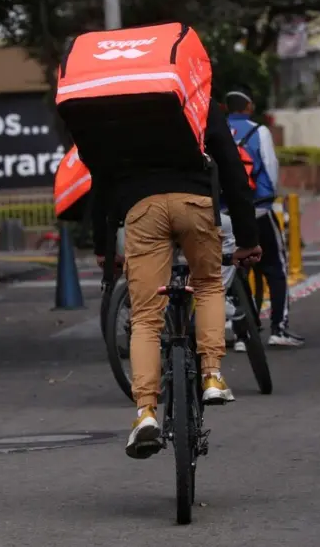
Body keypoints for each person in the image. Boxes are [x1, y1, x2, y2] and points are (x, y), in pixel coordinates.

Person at [91, 99, 263, 459]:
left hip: (143, 208)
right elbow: (230, 165)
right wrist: (247, 238)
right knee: (208, 283)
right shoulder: (196, 96)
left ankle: (146, 413)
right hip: (195, 202)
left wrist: (104, 244)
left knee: (146, 317)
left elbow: (102, 174)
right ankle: (212, 375)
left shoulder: (121, 104)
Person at [225, 85, 305, 348]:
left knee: (235, 273)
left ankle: (241, 334)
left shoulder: (213, 132)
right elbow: (270, 169)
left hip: (225, 216)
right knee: (276, 270)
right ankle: (279, 329)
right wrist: (270, 199)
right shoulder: (258, 131)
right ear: (248, 107)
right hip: (257, 210)